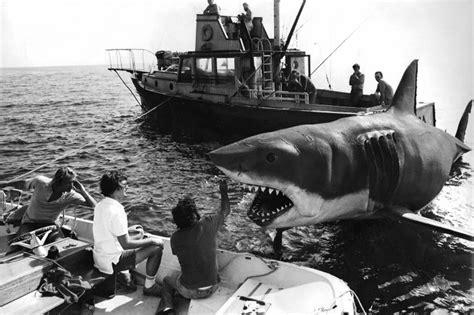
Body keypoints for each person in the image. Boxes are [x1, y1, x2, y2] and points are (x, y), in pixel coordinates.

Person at [156, 180, 230, 314]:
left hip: (189, 291)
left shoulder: (175, 237)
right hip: (213, 287)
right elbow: (225, 210)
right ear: (194, 213)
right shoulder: (208, 223)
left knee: (167, 280)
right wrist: (223, 190)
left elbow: (181, 254)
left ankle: (168, 307)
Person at [93, 171, 164, 296]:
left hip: (100, 257)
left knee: (138, 230)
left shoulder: (100, 205)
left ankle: (125, 273)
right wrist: (153, 240)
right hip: (113, 261)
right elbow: (126, 244)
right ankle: (149, 286)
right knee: (156, 247)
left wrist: (137, 235)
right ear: (115, 190)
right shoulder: (117, 211)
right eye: (124, 185)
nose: (127, 187)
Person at [0, 167, 97, 237]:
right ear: (58, 182)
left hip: (51, 225)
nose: (72, 186)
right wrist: (4, 184)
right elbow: (21, 184)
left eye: (73, 182)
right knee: (21, 244)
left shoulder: (71, 195)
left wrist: (83, 191)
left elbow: (93, 206)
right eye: (69, 183)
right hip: (29, 223)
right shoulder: (40, 182)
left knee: (58, 248)